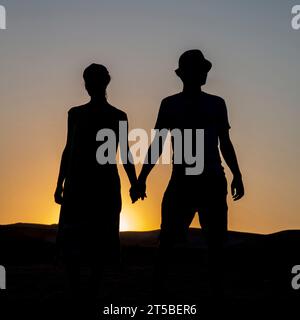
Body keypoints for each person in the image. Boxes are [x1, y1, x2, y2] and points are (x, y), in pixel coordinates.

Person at [137, 49, 245, 296]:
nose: (205, 74)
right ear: (187, 74)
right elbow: (158, 144)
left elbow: (224, 142)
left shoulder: (215, 104)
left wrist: (237, 174)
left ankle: (212, 294)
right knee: (169, 243)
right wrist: (142, 178)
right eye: (201, 70)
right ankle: (160, 294)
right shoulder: (171, 104)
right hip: (187, 180)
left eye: (205, 70)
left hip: (206, 179)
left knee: (213, 244)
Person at [54, 63, 140, 310]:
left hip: (92, 184)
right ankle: (83, 294)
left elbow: (124, 153)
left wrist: (135, 183)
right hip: (86, 183)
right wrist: (59, 182)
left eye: (91, 80)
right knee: (82, 240)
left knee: (94, 241)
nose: (89, 85)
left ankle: (86, 294)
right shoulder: (80, 114)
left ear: (100, 83)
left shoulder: (113, 116)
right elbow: (68, 149)